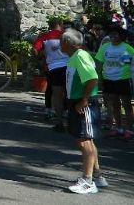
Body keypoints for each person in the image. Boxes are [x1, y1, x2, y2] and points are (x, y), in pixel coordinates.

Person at [61, 28, 108, 194]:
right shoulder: (76, 56)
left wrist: (85, 100)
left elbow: (92, 78)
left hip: (83, 103)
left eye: (61, 41)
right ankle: (97, 176)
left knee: (84, 141)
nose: (60, 44)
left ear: (67, 43)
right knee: (86, 140)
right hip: (77, 101)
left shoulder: (80, 56)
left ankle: (88, 181)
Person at [94, 25, 134, 140]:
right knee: (114, 104)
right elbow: (100, 62)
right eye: (111, 35)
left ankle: (129, 129)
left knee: (126, 105)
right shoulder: (105, 47)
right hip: (108, 79)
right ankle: (118, 128)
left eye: (116, 34)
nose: (113, 37)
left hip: (123, 79)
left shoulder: (127, 48)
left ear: (121, 36)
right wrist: (100, 77)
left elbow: (128, 64)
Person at [33, 18, 69, 131]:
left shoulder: (44, 37)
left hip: (54, 68)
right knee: (70, 93)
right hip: (70, 66)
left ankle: (59, 122)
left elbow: (34, 50)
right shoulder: (67, 35)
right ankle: (72, 120)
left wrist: (42, 56)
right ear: (60, 24)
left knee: (57, 95)